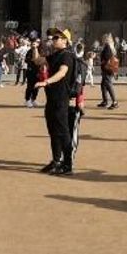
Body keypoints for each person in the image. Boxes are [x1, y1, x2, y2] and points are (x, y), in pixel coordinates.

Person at [35, 29, 79, 176]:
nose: (53, 40)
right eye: (53, 38)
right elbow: (38, 61)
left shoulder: (67, 56)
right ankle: (56, 161)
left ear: (65, 40)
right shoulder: (55, 55)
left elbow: (62, 73)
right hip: (52, 98)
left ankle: (68, 165)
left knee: (63, 132)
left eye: (56, 38)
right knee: (53, 130)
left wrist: (46, 82)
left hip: (61, 98)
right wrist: (34, 47)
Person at [97, 33, 118, 109]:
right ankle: (105, 101)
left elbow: (107, 58)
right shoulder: (109, 47)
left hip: (107, 69)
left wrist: (102, 62)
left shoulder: (107, 47)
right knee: (103, 85)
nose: (102, 40)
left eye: (103, 38)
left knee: (108, 85)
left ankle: (114, 102)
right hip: (107, 69)